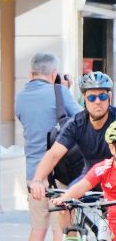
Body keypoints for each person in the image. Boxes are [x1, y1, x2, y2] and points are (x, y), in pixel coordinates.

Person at [16, 53, 79, 241]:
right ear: (53, 74)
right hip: (59, 173)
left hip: (33, 176)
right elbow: (79, 121)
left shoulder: (20, 97)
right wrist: (65, 90)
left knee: (37, 229)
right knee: (59, 231)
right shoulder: (60, 93)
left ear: (32, 73)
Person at [29, 70, 116, 202]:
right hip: (88, 178)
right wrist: (37, 180)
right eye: (92, 97)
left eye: (102, 97)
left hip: (113, 175)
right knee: (65, 204)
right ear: (85, 99)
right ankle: (69, 224)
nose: (97, 101)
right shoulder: (76, 124)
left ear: (109, 97)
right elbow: (54, 154)